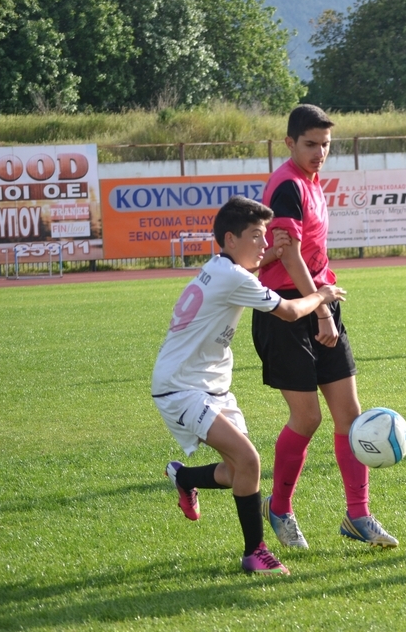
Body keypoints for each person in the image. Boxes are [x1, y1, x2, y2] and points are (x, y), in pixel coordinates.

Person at [151, 195, 341, 575]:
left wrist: (272, 255)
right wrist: (322, 295)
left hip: (210, 385)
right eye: (256, 236)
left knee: (237, 470)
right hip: (180, 388)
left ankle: (184, 477)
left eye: (265, 236)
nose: (264, 243)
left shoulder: (220, 267)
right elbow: (290, 311)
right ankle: (255, 553)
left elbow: (251, 270)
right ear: (231, 239)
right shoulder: (233, 277)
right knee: (250, 460)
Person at [252, 104, 398, 549]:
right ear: (290, 143)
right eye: (310, 144)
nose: (319, 153)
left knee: (349, 416)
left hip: (321, 301)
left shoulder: (312, 182)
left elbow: (298, 251)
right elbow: (288, 256)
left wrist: (323, 304)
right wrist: (319, 311)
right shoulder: (287, 186)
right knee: (308, 417)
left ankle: (358, 516)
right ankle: (279, 507)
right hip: (285, 312)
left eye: (326, 145)